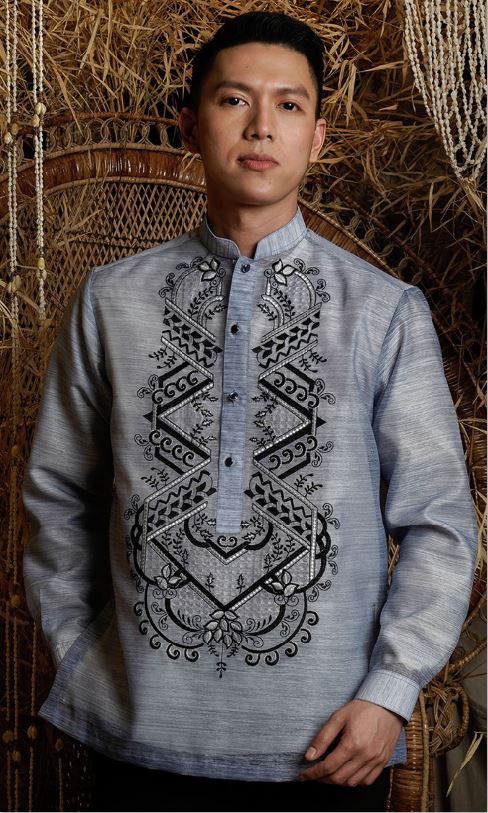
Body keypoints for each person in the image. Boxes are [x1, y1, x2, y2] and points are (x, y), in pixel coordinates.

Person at [21, 11, 478, 813]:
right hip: (139, 740)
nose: (262, 125)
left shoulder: (383, 311)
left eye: (289, 104)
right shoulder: (111, 300)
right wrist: (78, 655)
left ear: (318, 138)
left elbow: (440, 522)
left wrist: (391, 690)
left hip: (330, 747)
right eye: (234, 100)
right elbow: (57, 495)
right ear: (189, 126)